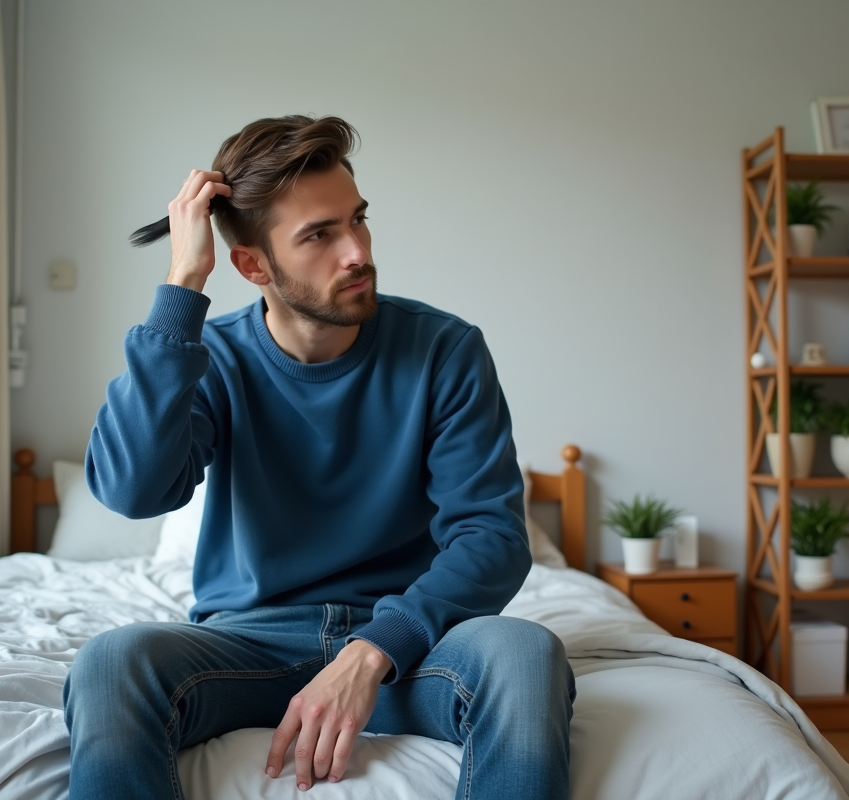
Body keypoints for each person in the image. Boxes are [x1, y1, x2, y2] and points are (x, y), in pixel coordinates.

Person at [62, 115, 575, 800]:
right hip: (248, 648)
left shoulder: (445, 350)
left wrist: (374, 652)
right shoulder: (208, 359)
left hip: (406, 648)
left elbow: (492, 535)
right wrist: (182, 287)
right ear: (252, 265)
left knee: (525, 653)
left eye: (357, 220)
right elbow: (132, 491)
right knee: (110, 662)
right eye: (320, 235)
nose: (358, 250)